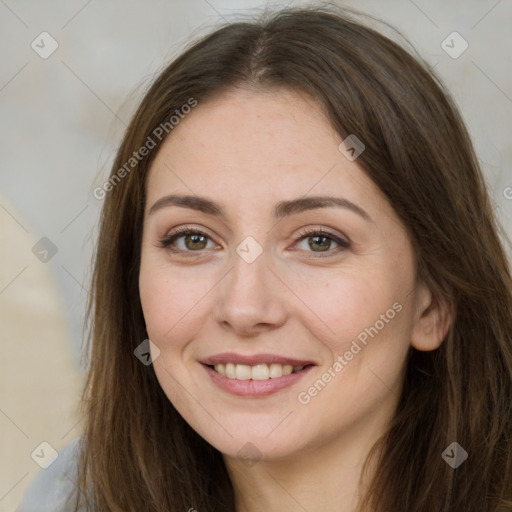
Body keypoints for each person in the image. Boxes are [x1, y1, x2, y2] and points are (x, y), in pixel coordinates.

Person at [19, 5, 512, 512]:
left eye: (319, 241)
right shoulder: (66, 497)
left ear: (432, 303)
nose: (244, 307)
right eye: (193, 240)